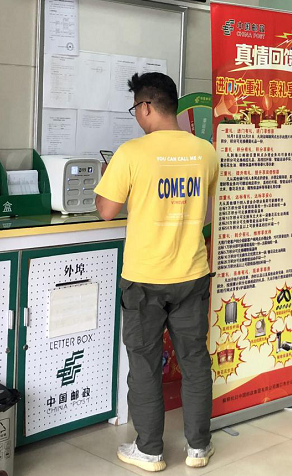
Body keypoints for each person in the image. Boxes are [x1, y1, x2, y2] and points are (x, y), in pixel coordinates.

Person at [94, 72, 218, 472]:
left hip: (144, 277)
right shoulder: (205, 151)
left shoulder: (131, 153)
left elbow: (106, 210)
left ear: (146, 106)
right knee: (195, 361)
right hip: (192, 273)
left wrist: (108, 177)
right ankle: (198, 448)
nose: (136, 116)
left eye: (136, 108)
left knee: (145, 365)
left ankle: (149, 451)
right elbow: (207, 209)